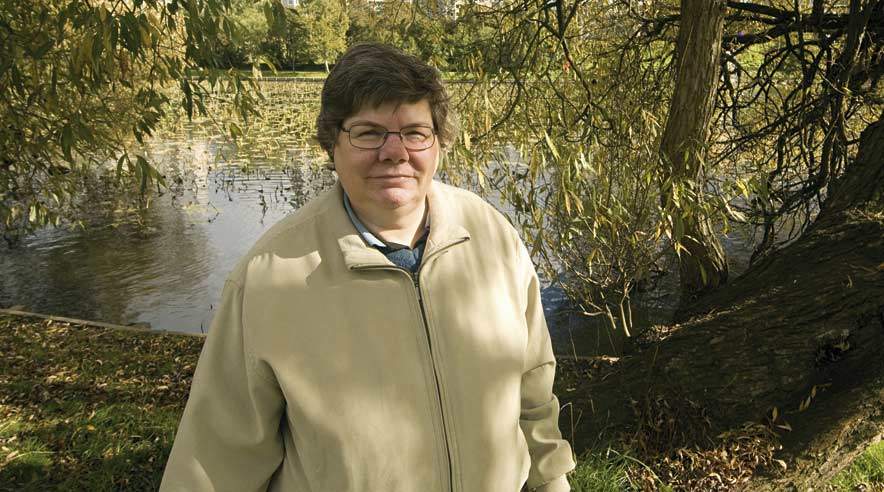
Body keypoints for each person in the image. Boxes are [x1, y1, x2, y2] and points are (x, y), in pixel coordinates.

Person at [160, 43, 575, 492]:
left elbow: (533, 393)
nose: (394, 153)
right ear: (332, 143)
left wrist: (552, 484)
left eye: (415, 132)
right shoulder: (271, 276)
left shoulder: (493, 238)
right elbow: (215, 464)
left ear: (438, 143)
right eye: (368, 132)